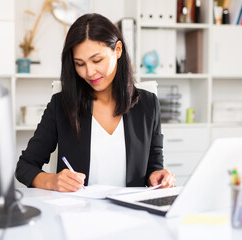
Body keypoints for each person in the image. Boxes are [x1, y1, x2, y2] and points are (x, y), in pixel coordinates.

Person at [15, 13, 175, 192]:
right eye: (80, 64)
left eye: (97, 60)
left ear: (118, 50)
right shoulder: (62, 105)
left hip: (131, 215)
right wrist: (52, 181)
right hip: (78, 214)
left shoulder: (148, 104)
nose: (89, 72)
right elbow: (25, 167)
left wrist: (156, 176)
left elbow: (153, 165)